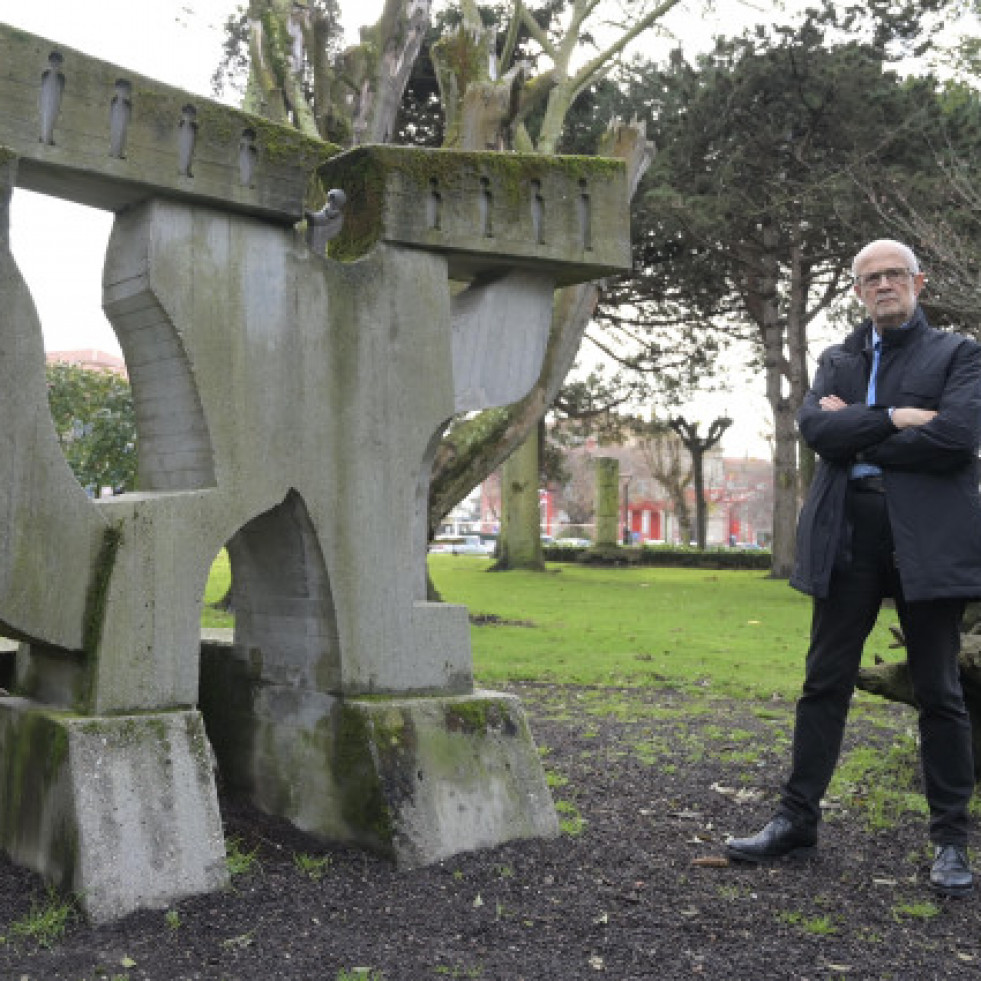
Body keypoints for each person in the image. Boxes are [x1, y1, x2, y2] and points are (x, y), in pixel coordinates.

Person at [725, 239, 981, 897]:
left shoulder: (958, 354)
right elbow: (817, 432)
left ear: (918, 281)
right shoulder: (837, 358)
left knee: (939, 690)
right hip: (847, 531)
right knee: (822, 679)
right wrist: (895, 417)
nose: (883, 284)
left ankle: (950, 841)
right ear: (858, 291)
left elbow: (955, 436)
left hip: (926, 535)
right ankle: (794, 819)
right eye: (870, 278)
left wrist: (860, 431)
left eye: (894, 273)